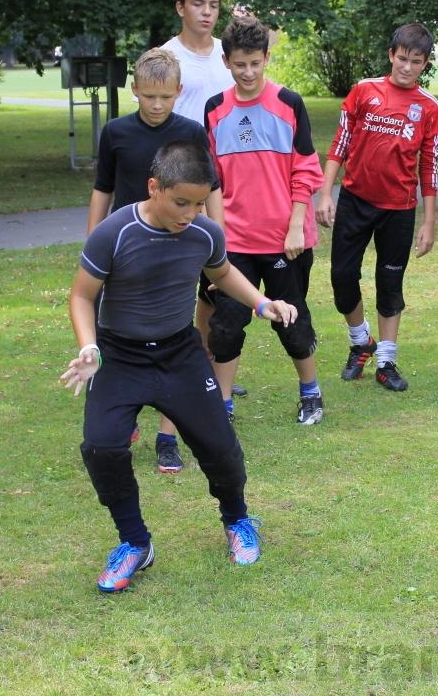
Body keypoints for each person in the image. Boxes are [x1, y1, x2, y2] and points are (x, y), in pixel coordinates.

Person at [61, 140, 298, 592]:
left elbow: (221, 272)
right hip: (120, 355)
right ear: (154, 187)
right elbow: (82, 295)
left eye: (200, 202)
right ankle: (135, 543)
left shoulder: (205, 233)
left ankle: (237, 520)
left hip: (179, 353)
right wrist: (90, 348)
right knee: (102, 447)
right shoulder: (114, 232)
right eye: (180, 201)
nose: (190, 212)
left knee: (220, 445)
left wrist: (262, 302)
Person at [85, 48, 220, 474]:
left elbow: (210, 189)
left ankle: (167, 435)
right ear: (135, 91)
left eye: (165, 97)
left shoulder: (192, 132)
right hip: (127, 249)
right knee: (116, 332)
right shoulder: (116, 132)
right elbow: (102, 189)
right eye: (148, 97)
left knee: (175, 333)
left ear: (179, 92)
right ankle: (117, 417)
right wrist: (94, 240)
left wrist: (218, 240)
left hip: (180, 245)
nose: (157, 105)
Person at [203, 17, 327, 424]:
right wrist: (214, 237)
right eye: (240, 64)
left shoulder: (289, 103)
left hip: (285, 241)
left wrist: (295, 226)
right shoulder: (215, 110)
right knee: (225, 325)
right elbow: (211, 181)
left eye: (255, 63)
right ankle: (222, 406)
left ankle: (310, 394)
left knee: (293, 322)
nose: (248, 72)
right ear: (226, 62)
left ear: (267, 58)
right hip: (234, 242)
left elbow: (307, 170)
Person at [314, 22, 438, 393]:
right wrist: (326, 194)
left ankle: (386, 360)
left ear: (425, 64)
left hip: (399, 210)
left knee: (390, 284)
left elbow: (429, 166)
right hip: (355, 202)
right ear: (391, 55)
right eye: (402, 58)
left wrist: (429, 221)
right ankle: (361, 342)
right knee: (342, 277)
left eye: (415, 61)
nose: (407, 67)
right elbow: (340, 143)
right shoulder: (364, 91)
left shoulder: (429, 108)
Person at [161, 0, 248, 403]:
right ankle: (190, 364)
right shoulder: (167, 55)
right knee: (185, 274)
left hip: (229, 176)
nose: (206, 13)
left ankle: (213, 360)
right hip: (183, 178)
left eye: (213, 5)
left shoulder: (226, 53)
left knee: (217, 274)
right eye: (198, 4)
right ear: (181, 8)